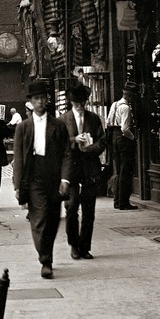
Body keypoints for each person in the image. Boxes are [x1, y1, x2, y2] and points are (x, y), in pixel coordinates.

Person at [12, 79, 73, 279]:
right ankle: (46, 260)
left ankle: (46, 252)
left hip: (53, 175)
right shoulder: (23, 127)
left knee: (54, 217)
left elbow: (66, 154)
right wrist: (18, 184)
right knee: (39, 218)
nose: (39, 102)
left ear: (47, 100)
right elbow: (19, 157)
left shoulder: (58, 125)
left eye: (42, 98)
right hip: (34, 176)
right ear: (30, 102)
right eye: (36, 98)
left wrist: (65, 180)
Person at [60, 83, 105, 260]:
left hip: (89, 168)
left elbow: (102, 141)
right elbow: (57, 143)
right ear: (71, 102)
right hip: (70, 170)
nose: (80, 105)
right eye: (77, 102)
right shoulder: (63, 120)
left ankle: (84, 247)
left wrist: (91, 148)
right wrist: (73, 140)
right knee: (71, 208)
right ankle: (74, 244)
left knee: (89, 210)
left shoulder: (94, 119)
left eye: (83, 102)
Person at [107, 81, 139, 210]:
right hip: (124, 139)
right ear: (129, 96)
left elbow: (108, 121)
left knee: (120, 171)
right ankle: (123, 203)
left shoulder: (115, 105)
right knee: (126, 171)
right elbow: (125, 128)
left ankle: (117, 200)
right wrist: (133, 137)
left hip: (114, 138)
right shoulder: (125, 107)